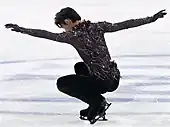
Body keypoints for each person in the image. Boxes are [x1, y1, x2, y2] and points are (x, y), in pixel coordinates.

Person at [5, 7, 167, 123]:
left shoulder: (73, 36)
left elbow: (45, 34)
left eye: (62, 26)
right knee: (80, 67)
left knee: (63, 83)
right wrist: (151, 18)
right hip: (114, 78)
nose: (63, 30)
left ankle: (97, 103)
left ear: (68, 21)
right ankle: (96, 101)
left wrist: (22, 30)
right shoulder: (98, 27)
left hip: (102, 82)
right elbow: (124, 24)